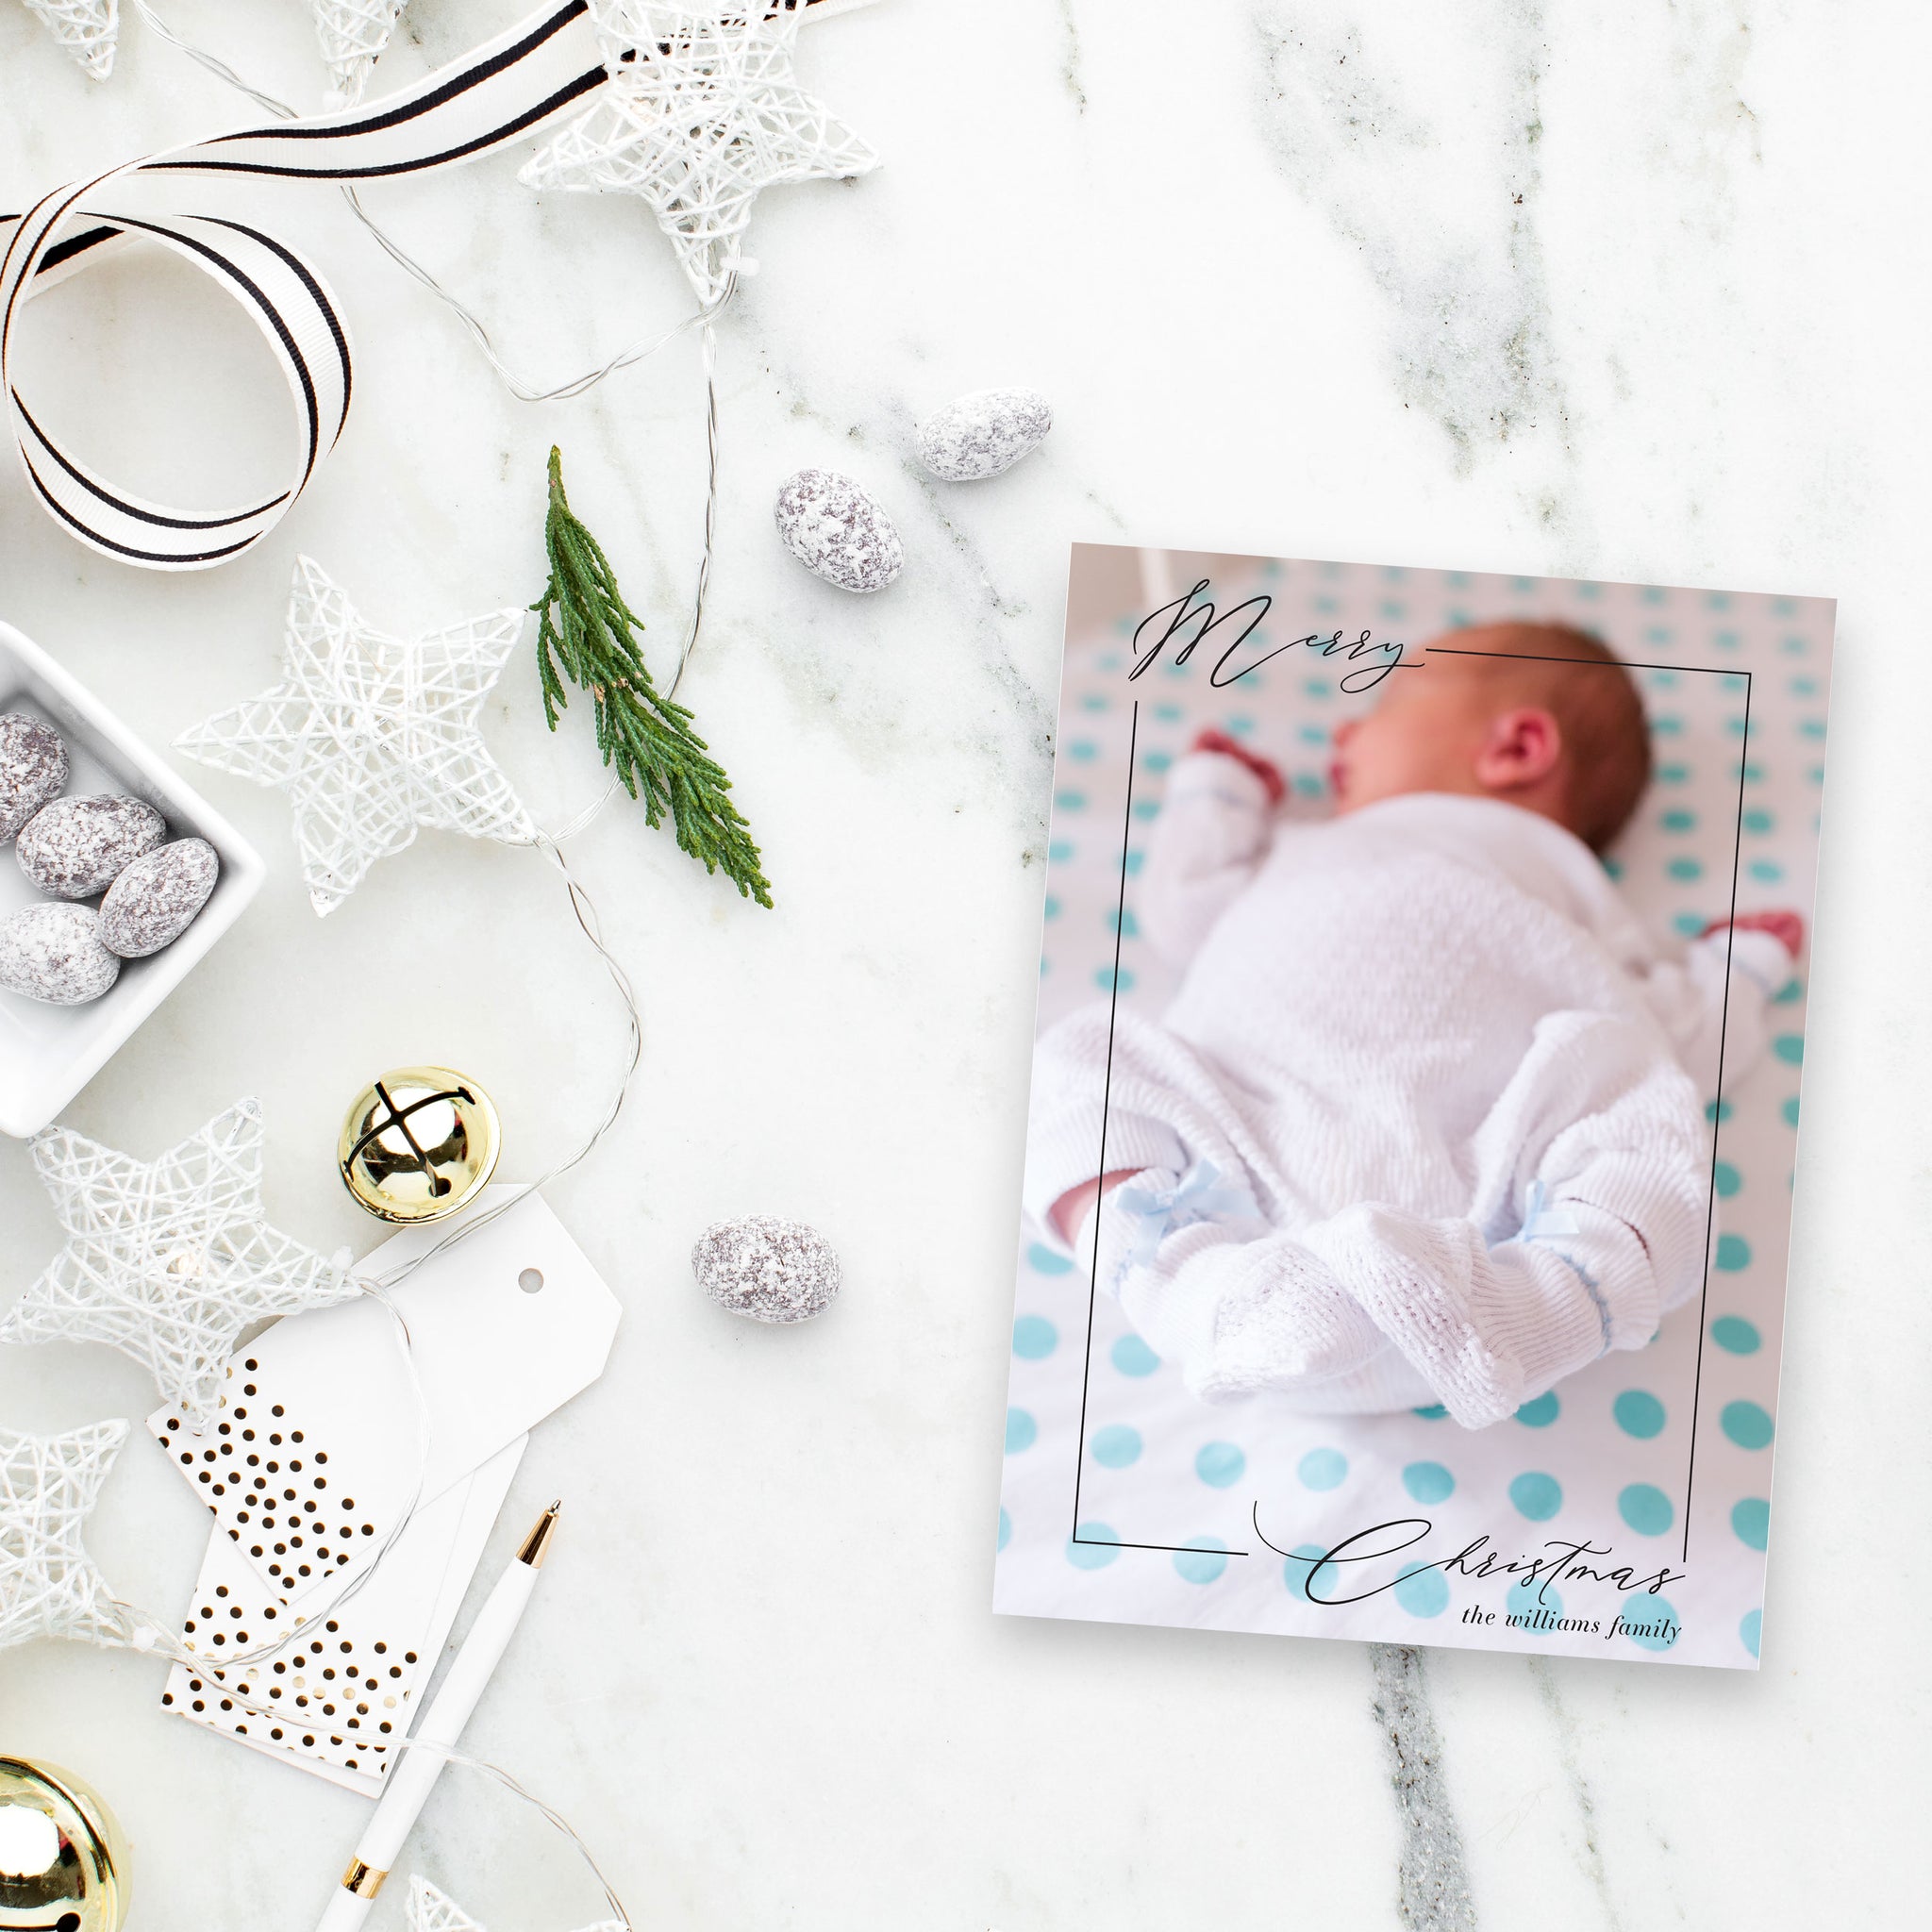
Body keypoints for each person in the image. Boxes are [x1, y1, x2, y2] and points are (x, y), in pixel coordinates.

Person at [1024, 622, 1801, 1427]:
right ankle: (1183, 1282)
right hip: (1232, 1154)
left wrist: (1732, 975)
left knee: (1637, 1092)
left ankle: (1543, 1307)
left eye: (1388, 701)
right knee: (1086, 1060)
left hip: (1474, 1218)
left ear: (1518, 745)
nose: (1345, 729)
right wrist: (1213, 797)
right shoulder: (1303, 847)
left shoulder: (1564, 879)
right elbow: (1184, 909)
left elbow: (1673, 1041)